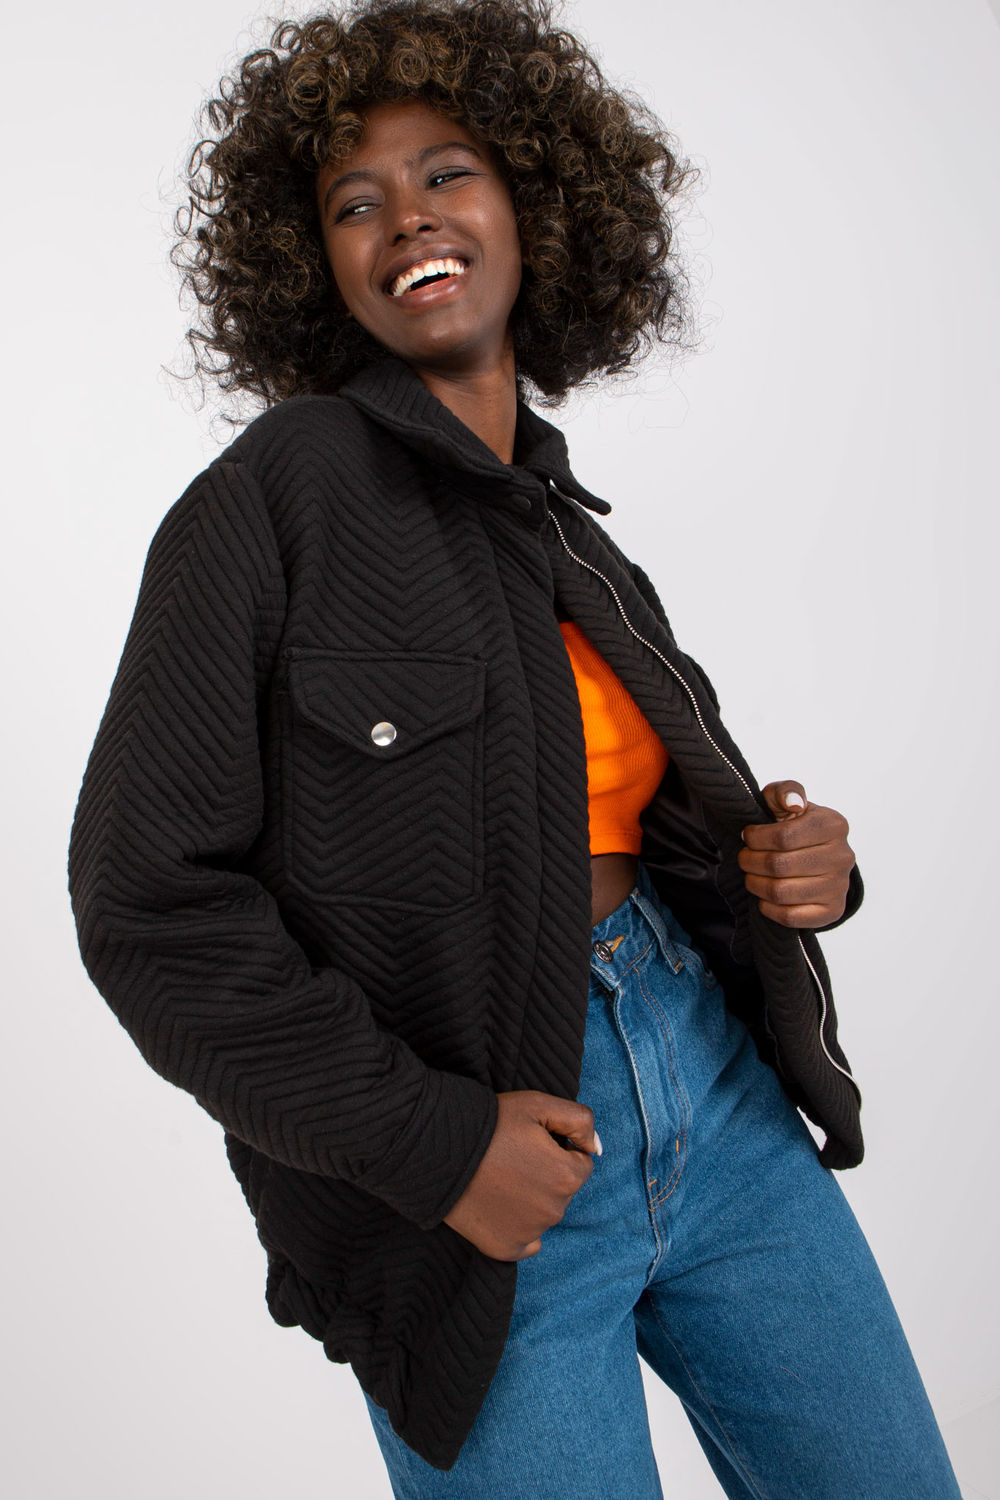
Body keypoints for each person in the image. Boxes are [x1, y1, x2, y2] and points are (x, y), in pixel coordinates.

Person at [67, 1, 961, 1495]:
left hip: (722, 1106)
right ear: (313, 265)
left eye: (448, 173)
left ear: (535, 204)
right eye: (355, 202)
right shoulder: (277, 495)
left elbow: (614, 817)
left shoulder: (562, 527)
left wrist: (800, 867)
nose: (408, 217)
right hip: (490, 1178)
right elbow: (146, 906)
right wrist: (436, 1147)